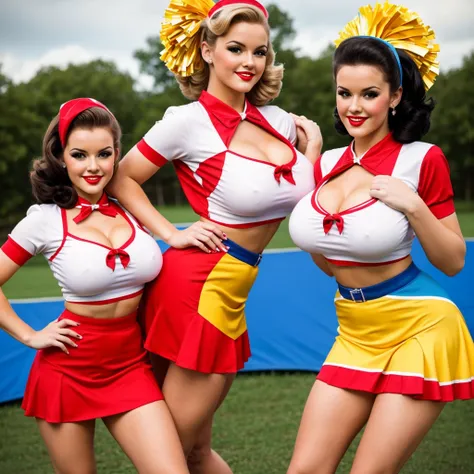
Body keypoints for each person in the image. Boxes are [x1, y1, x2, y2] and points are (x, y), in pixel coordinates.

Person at [107, 0, 322, 471]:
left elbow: (313, 200)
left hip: (231, 286)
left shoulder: (283, 123)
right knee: (168, 458)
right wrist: (170, 232)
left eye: (260, 51)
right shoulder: (186, 122)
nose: (249, 62)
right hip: (196, 286)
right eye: (235, 48)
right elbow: (120, 177)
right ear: (207, 49)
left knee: (195, 451)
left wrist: (318, 150)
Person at [287, 3, 474, 473]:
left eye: (369, 94)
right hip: (353, 327)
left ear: (393, 97)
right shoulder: (325, 164)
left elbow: (453, 260)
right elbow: (329, 259)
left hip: (420, 326)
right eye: (343, 93)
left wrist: (413, 206)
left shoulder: (422, 159)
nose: (354, 106)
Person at [0, 98, 190, 474]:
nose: (92, 166)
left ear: (117, 154)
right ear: (61, 157)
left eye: (103, 154)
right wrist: (29, 335)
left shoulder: (130, 205)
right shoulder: (43, 221)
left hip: (131, 366)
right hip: (68, 371)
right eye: (79, 155)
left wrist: (179, 235)